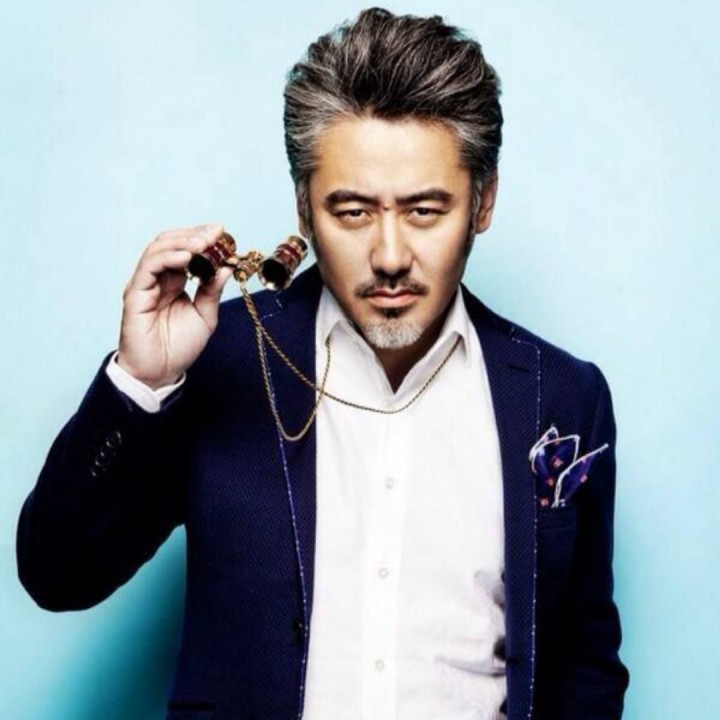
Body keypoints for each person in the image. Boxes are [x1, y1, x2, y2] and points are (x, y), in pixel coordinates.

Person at [16, 7, 629, 720]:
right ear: (304, 211)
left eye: (426, 211)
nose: (391, 256)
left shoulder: (564, 395)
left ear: (483, 201)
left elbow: (584, 660)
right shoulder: (220, 361)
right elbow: (57, 575)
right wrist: (140, 383)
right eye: (353, 212)